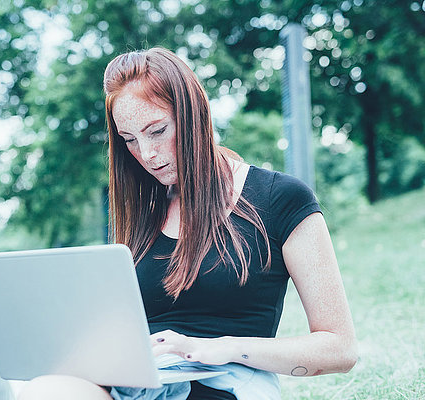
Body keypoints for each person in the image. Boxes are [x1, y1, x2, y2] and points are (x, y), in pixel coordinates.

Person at [19, 47, 357, 400]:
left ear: (193, 114)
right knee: (42, 389)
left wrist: (221, 348)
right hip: (139, 385)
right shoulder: (142, 214)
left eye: (157, 130)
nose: (146, 154)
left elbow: (340, 349)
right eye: (130, 140)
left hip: (223, 383)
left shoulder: (280, 199)